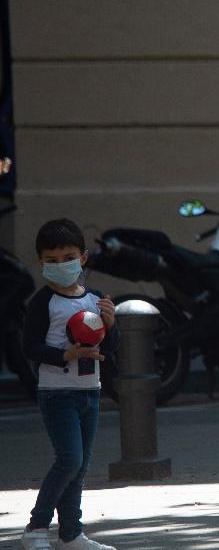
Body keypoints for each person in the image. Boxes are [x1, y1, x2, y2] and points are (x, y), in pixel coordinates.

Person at [21, 219, 118, 550]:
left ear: (83, 258)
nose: (60, 265)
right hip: (56, 393)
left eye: (68, 257)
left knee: (79, 466)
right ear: (41, 262)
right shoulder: (42, 302)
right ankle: (36, 528)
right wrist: (67, 354)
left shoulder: (92, 299)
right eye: (52, 260)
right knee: (69, 459)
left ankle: (71, 534)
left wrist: (110, 324)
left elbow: (109, 345)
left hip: (89, 390)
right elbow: (30, 348)